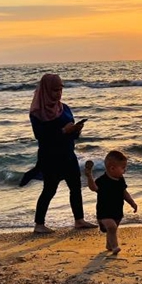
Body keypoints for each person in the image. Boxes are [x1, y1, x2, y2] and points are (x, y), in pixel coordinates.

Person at [27, 73, 97, 233]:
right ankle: (39, 224)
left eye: (60, 89)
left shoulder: (64, 108)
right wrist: (62, 131)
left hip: (67, 153)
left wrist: (75, 130)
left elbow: (72, 135)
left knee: (75, 187)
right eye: (54, 90)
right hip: (50, 156)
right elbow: (41, 136)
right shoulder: (37, 112)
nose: (58, 93)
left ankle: (79, 220)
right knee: (49, 189)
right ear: (45, 90)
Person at [84, 151, 138, 255]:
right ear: (112, 168)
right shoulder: (102, 180)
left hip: (117, 211)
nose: (124, 170)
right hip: (104, 212)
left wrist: (132, 202)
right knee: (112, 227)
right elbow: (93, 188)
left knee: (112, 229)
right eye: (123, 168)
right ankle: (115, 247)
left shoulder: (120, 180)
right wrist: (90, 177)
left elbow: (124, 193)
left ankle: (109, 245)